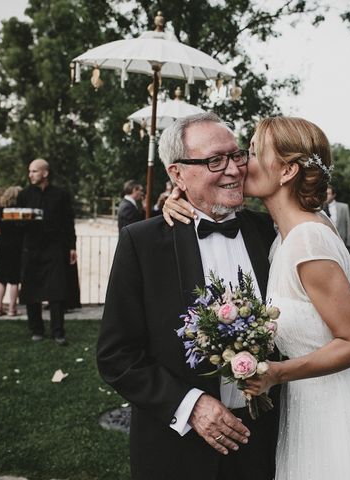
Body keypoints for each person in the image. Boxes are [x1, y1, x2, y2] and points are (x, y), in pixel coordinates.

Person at [97, 113, 280, 480]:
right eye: (215, 160)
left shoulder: (269, 230)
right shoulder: (143, 242)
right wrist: (190, 406)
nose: (234, 170)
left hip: (266, 442)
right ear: (177, 174)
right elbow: (117, 355)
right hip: (178, 451)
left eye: (237, 155)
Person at [242, 116, 350, 479]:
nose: (241, 162)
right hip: (305, 406)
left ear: (287, 170)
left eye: (253, 152)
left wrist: (276, 373)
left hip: (330, 413)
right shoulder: (289, 235)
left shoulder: (307, 240)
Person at [17, 159, 77, 345]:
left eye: (34, 171)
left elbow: (69, 222)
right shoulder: (24, 195)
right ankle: (36, 330)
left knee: (57, 292)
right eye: (30, 171)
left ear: (45, 173)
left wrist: (72, 246)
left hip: (55, 249)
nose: (30, 175)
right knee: (31, 291)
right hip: (32, 248)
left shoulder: (60, 195)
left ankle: (58, 332)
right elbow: (18, 222)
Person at [0, 186, 24, 316]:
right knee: (14, 280)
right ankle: (12, 309)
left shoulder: (0, 211)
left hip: (2, 245)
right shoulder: (21, 213)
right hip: (16, 246)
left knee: (2, 279)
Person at [323, 185, 350, 255]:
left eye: (328, 193)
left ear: (334, 195)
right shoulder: (320, 208)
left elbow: (348, 224)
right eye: (325, 193)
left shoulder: (344, 207)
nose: (326, 195)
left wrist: (349, 243)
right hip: (325, 242)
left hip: (341, 241)